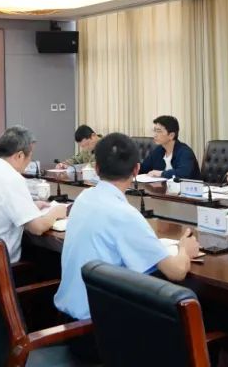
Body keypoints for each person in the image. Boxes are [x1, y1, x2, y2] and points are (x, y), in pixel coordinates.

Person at [54, 132, 200, 362]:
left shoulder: (84, 198)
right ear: (136, 169)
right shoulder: (124, 214)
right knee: (195, 301)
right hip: (100, 335)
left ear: (97, 168)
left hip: (70, 325)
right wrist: (185, 249)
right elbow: (177, 271)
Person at [0, 126, 68, 262]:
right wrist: (56, 212)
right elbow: (37, 228)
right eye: (30, 156)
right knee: (51, 261)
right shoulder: (11, 177)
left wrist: (31, 206)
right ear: (20, 155)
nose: (30, 161)